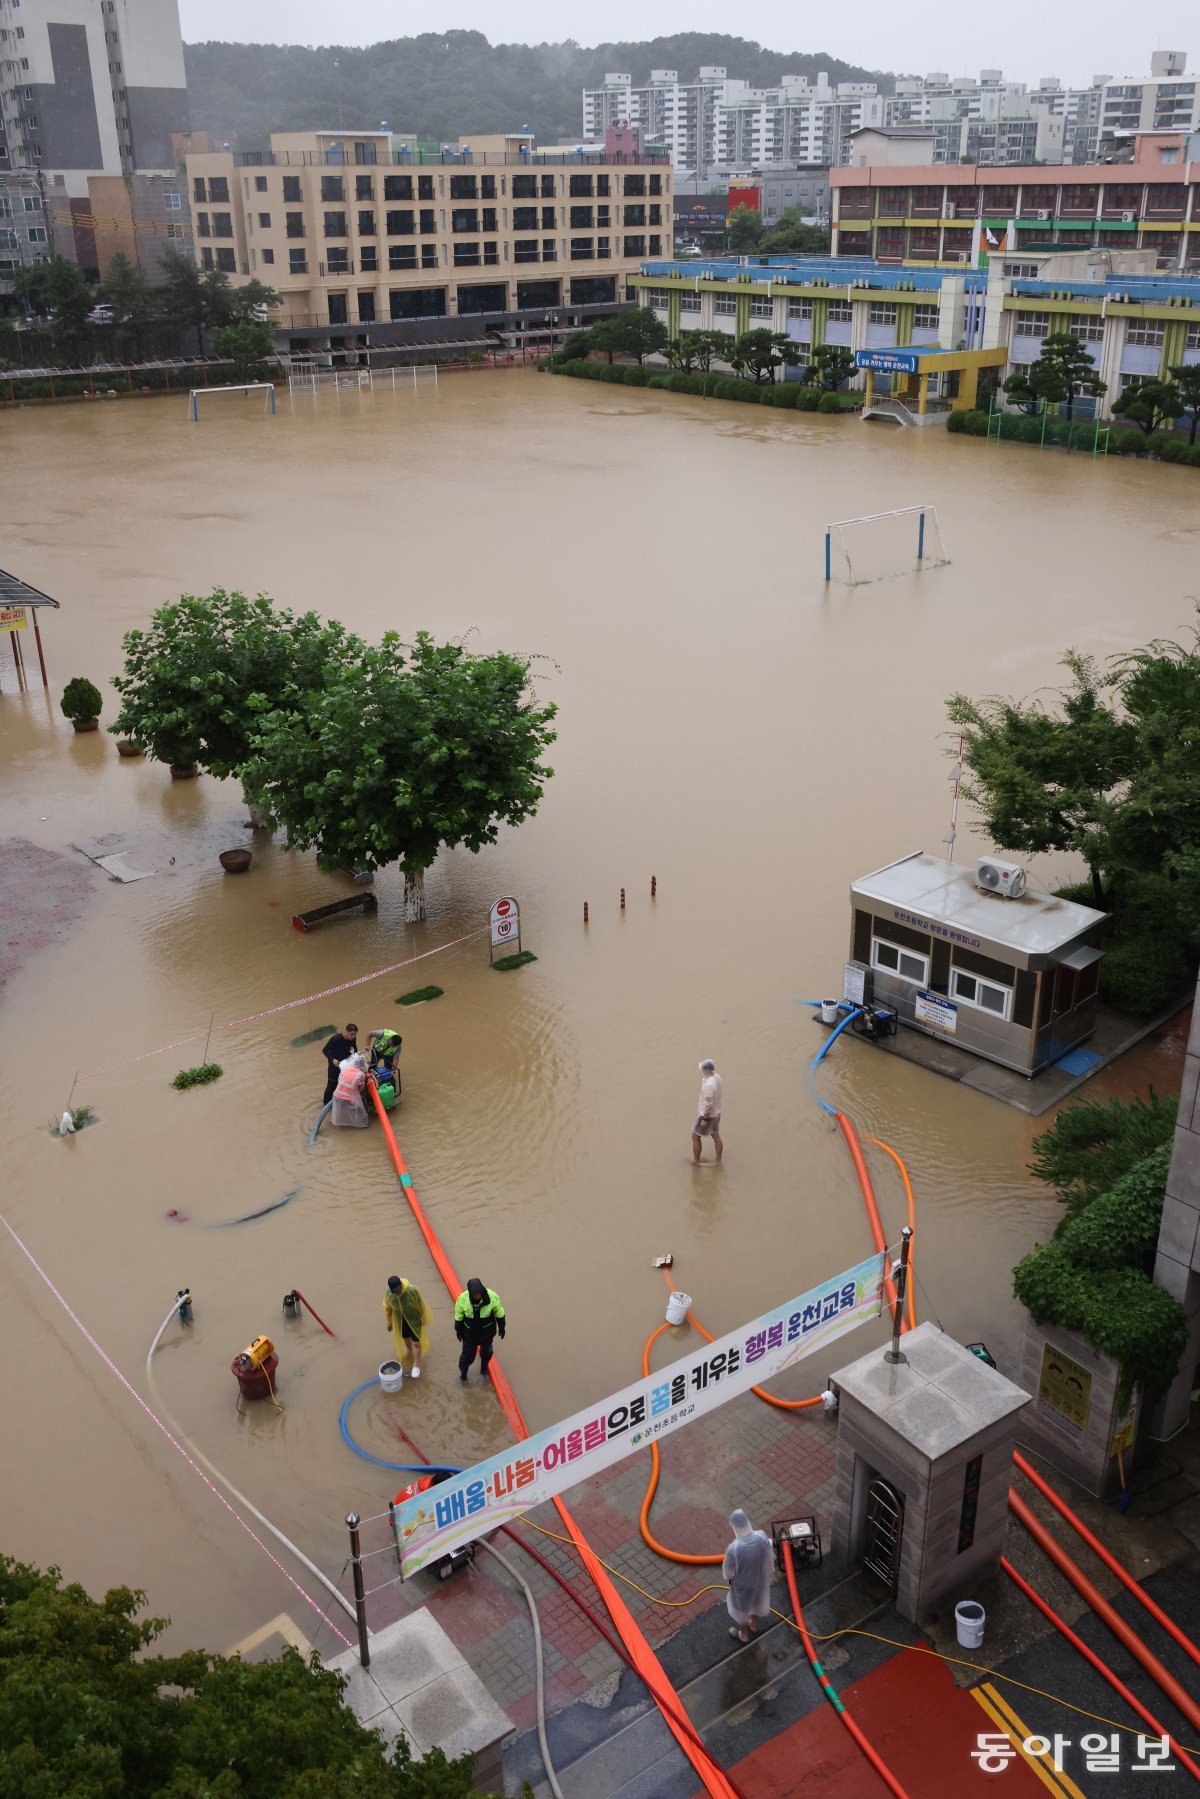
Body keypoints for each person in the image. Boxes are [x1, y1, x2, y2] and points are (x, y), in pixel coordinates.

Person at [722, 1509, 774, 1643]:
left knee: (742, 1611)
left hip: (743, 1588)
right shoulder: (761, 1536)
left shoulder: (734, 1548)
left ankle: (743, 1635)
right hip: (760, 1581)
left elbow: (728, 1572)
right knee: (757, 1603)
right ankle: (754, 1625)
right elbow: (769, 1549)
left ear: (734, 1526)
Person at [454, 1277, 505, 1382]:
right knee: (467, 1358)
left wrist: (502, 1326)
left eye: (479, 1293)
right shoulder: (463, 1299)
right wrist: (458, 1329)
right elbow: (458, 1315)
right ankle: (463, 1376)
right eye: (475, 1294)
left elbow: (499, 1312)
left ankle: (484, 1370)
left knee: (487, 1352)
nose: (477, 1296)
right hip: (469, 1334)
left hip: (487, 1332)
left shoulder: (491, 1296)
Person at [384, 1274, 432, 1379]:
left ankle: (415, 1365)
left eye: (399, 1289)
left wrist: (424, 1316)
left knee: (416, 1342)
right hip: (401, 1321)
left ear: (401, 1285)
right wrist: (389, 1322)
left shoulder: (412, 1290)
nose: (398, 1292)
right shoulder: (389, 1294)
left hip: (414, 1320)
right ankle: (409, 1351)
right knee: (406, 1339)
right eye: (395, 1291)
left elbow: (420, 1304)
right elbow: (388, 1308)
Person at [692, 1058, 724, 1164]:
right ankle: (718, 1159)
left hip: (708, 1115)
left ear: (706, 1070)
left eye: (702, 1069)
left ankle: (696, 1161)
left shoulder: (709, 1085)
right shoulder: (717, 1077)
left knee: (695, 1136)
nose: (700, 1071)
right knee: (715, 1135)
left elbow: (708, 1104)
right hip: (717, 1112)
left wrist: (705, 1119)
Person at [329, 1051, 370, 1128]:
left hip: (336, 1096)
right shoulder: (361, 1074)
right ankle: (363, 1125)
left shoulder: (345, 1070)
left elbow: (340, 1082)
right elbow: (361, 1089)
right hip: (349, 1099)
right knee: (361, 1110)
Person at [322, 1024, 359, 1104]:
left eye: (355, 1035)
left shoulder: (353, 1039)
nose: (353, 1036)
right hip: (334, 1067)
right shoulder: (335, 1039)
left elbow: (355, 1049)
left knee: (345, 1084)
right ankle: (326, 1104)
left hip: (346, 1066)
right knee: (331, 1086)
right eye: (352, 1034)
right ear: (346, 1031)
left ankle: (341, 1101)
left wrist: (355, 1056)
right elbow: (325, 1050)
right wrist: (332, 1059)